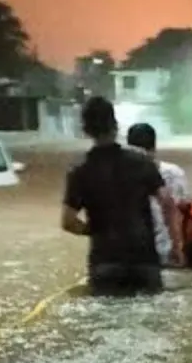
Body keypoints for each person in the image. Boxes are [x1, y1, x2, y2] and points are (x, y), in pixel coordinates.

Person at [61, 97, 183, 296]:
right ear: (115, 125)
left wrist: (95, 231)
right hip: (144, 261)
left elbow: (68, 222)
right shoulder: (142, 161)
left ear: (85, 130)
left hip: (105, 262)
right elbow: (167, 203)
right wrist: (176, 245)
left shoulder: (80, 170)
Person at [126, 122, 190, 266]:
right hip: (167, 249)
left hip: (134, 253)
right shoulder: (175, 173)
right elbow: (184, 207)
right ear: (154, 146)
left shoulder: (121, 176)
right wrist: (178, 245)